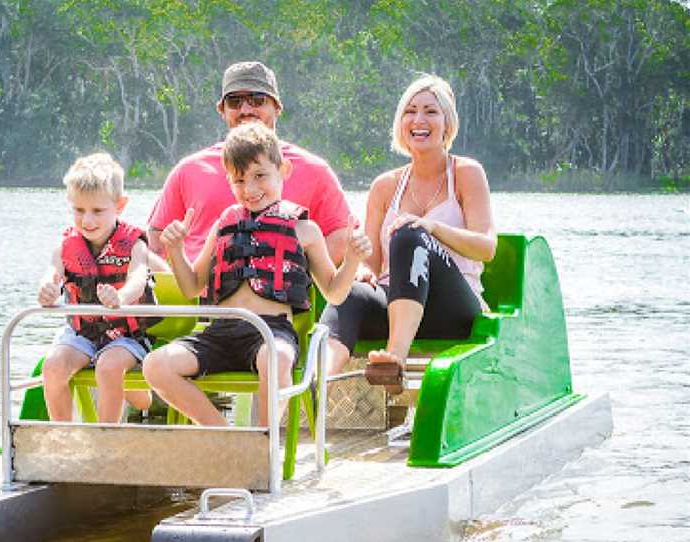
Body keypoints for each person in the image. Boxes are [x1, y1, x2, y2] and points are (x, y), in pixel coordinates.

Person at [142, 123, 372, 426]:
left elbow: (334, 292)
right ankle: (228, 438)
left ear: (284, 170)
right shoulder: (223, 224)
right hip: (219, 334)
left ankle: (265, 443)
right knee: (156, 365)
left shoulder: (306, 230)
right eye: (239, 180)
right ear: (229, 181)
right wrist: (176, 250)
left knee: (275, 358)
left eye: (259, 176)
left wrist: (353, 260)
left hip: (272, 332)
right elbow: (191, 286)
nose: (250, 190)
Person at [320, 74, 497, 384]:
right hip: (394, 303)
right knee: (350, 293)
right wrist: (359, 263)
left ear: (447, 123)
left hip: (451, 310)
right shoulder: (384, 186)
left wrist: (432, 228)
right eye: (410, 111)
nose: (419, 119)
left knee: (410, 233)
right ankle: (318, 382)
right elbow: (373, 262)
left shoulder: (467, 173)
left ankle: (394, 361)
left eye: (430, 111)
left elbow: (486, 247)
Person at [147, 61, 352, 266]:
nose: (245, 109)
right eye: (234, 102)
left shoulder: (315, 171)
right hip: (202, 292)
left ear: (277, 107)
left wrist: (297, 277)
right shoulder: (188, 170)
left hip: (286, 292)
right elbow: (156, 241)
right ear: (223, 110)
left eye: (257, 99)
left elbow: (341, 235)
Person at [37, 152, 155, 422]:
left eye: (98, 211)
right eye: (79, 210)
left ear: (120, 205)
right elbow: (52, 273)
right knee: (53, 367)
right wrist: (47, 289)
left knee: (109, 367)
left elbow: (138, 279)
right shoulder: (66, 246)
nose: (87, 221)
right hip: (82, 334)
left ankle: (105, 439)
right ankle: (64, 438)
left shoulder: (135, 245)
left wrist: (120, 296)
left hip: (125, 337)